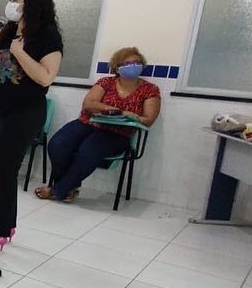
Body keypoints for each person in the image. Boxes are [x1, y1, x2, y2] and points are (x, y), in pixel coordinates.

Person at [0, 0, 64, 251]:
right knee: (0, 168)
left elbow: (46, 77)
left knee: (7, 171)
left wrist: (20, 52)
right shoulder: (7, 31)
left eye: (16, 0)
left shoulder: (47, 36)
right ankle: (6, 225)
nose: (11, 4)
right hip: (0, 108)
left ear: (33, 4)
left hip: (25, 113)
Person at [36, 46, 161, 202]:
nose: (133, 66)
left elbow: (148, 119)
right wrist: (116, 111)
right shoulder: (106, 82)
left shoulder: (150, 90)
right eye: (128, 63)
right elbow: (88, 104)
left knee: (88, 150)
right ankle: (70, 187)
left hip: (118, 133)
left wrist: (131, 116)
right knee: (58, 144)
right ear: (117, 67)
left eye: (137, 62)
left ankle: (58, 190)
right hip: (88, 123)